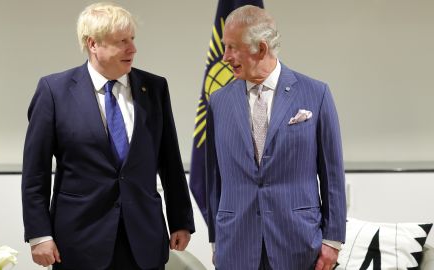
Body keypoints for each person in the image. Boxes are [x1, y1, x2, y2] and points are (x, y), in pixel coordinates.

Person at [21, 2, 195, 270]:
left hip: (144, 240)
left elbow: (169, 159)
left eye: (133, 39)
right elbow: (35, 172)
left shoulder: (155, 88)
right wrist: (39, 235)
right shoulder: (54, 91)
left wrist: (180, 220)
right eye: (122, 41)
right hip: (80, 242)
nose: (133, 48)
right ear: (93, 44)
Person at [205, 5, 346, 270]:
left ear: (260, 48)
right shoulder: (218, 102)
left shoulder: (316, 94)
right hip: (235, 245)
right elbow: (213, 177)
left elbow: (333, 174)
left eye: (233, 47)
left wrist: (332, 240)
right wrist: (216, 240)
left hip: (299, 244)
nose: (225, 57)